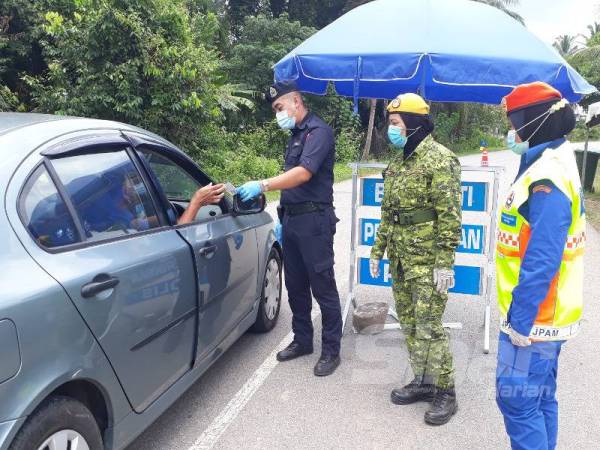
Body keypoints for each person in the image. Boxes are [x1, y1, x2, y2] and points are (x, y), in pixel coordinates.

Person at [495, 82, 585, 450]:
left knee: (516, 401)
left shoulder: (547, 178)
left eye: (515, 123)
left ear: (533, 122)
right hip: (543, 316)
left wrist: (521, 321)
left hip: (534, 319)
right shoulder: (550, 160)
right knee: (540, 397)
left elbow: (543, 258)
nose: (511, 132)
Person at [236, 80, 343, 377]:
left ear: (296, 101)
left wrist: (263, 184)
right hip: (293, 221)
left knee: (322, 286)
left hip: (315, 222)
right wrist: (283, 219)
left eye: (280, 107)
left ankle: (332, 350)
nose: (277, 114)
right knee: (295, 285)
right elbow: (291, 182)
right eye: (274, 110)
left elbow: (303, 173)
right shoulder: (296, 136)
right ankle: (303, 340)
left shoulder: (318, 132)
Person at [369, 93, 462, 425]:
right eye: (390, 123)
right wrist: (377, 251)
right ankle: (424, 382)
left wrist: (445, 262)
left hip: (427, 260)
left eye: (395, 123)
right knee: (409, 323)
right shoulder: (397, 163)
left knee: (429, 326)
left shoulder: (441, 159)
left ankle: (446, 392)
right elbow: (387, 215)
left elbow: (449, 217)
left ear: (413, 123)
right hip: (401, 258)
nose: (390, 129)